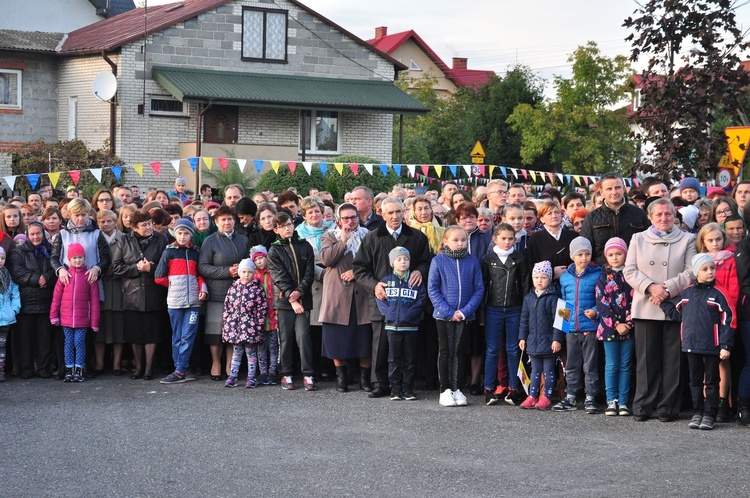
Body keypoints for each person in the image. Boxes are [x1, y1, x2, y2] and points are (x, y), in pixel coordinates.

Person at [624, 198, 697, 422]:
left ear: (674, 215)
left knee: (673, 360)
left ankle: (668, 407)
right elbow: (629, 270)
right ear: (650, 217)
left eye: (668, 214)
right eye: (659, 214)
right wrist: (651, 288)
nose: (664, 218)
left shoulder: (688, 239)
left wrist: (667, 288)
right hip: (647, 304)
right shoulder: (637, 238)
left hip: (675, 304)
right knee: (646, 359)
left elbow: (691, 271)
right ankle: (644, 404)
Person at [353, 197, 431, 398]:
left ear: (404, 212)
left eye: (398, 212)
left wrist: (420, 271)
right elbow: (360, 269)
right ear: (381, 213)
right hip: (383, 301)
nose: (395, 216)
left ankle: (407, 385)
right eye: (390, 213)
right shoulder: (371, 238)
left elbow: (428, 261)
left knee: (408, 348)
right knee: (381, 344)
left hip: (408, 303)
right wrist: (374, 285)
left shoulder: (416, 237)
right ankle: (380, 383)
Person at [661, 253, 734, 430]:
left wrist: (725, 345)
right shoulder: (686, 294)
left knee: (711, 381)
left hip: (712, 346)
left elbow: (727, 320)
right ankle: (697, 412)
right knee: (694, 381)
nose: (710, 272)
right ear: (695, 272)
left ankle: (710, 414)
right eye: (705, 269)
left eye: (712, 268)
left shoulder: (719, 294)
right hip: (691, 345)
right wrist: (663, 303)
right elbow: (678, 315)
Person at [428, 226, 484, 407]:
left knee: (459, 352)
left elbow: (479, 289)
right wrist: (449, 312)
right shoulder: (438, 261)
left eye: (463, 240)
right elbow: (433, 289)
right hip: (444, 316)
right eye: (455, 240)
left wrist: (464, 312)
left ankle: (457, 388)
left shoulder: (473, 261)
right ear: (445, 241)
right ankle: (445, 389)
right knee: (446, 351)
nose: (460, 243)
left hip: (464, 316)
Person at [319, 204, 373, 393]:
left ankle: (364, 379)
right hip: (338, 295)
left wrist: (357, 273)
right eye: (346, 218)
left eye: (353, 217)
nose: (350, 222)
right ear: (339, 220)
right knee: (337, 338)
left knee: (364, 337)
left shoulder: (368, 235)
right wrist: (343, 240)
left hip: (363, 295)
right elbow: (327, 260)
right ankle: (341, 377)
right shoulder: (330, 236)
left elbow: (376, 263)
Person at [111, 210, 169, 381]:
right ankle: (139, 367)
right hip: (132, 294)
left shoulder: (161, 239)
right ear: (134, 227)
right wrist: (136, 268)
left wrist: (150, 268)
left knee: (152, 333)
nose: (148, 227)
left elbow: (166, 264)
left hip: (154, 293)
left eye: (149, 223)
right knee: (135, 334)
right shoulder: (124, 240)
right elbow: (116, 267)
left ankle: (149, 367)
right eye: (144, 225)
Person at [198, 205, 249, 381]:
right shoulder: (210, 241)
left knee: (233, 331)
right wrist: (227, 271)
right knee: (215, 332)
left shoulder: (243, 239)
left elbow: (250, 261)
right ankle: (215, 363)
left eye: (229, 219)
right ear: (216, 222)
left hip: (239, 293)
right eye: (223, 220)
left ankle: (230, 364)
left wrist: (242, 269)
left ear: (234, 220)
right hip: (217, 292)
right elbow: (203, 267)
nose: (227, 222)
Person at [155, 218, 208, 384]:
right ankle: (180, 368)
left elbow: (199, 274)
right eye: (180, 233)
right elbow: (159, 277)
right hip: (175, 302)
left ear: (191, 235)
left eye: (186, 233)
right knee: (177, 336)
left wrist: (202, 288)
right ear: (175, 233)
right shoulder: (169, 252)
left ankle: (180, 369)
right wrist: (172, 285)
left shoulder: (195, 253)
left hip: (193, 302)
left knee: (188, 335)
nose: (183, 236)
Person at [481, 223, 529, 405]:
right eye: (503, 238)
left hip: (514, 309)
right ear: (495, 239)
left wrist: (525, 313)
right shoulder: (487, 259)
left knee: (512, 348)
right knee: (492, 349)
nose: (507, 242)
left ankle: (514, 387)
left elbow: (525, 287)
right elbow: (483, 287)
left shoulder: (520, 258)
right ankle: (489, 388)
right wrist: (482, 315)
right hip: (493, 308)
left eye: (511, 239)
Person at [696, 222, 739, 422]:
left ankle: (723, 401)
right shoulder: (699, 262)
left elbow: (733, 292)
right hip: (705, 319)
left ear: (724, 239)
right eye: (710, 240)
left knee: (723, 361)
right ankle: (708, 402)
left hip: (722, 316)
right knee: (706, 362)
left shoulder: (730, 260)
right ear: (703, 242)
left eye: (718, 239)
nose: (715, 244)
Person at [268, 211, 316, 391]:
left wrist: (300, 292)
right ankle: (286, 373)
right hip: (285, 302)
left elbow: (309, 273)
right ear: (276, 230)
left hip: (303, 300)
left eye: (289, 224)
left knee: (303, 337)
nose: (287, 228)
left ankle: (308, 374)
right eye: (282, 226)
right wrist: (291, 297)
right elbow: (279, 276)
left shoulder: (305, 245)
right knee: (286, 338)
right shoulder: (274, 250)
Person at [554, 236, 602, 413]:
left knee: (590, 365)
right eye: (580, 254)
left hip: (590, 328)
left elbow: (603, 299)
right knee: (572, 364)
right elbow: (564, 304)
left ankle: (591, 397)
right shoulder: (565, 277)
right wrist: (560, 331)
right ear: (572, 256)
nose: (584, 258)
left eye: (587, 254)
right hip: (571, 329)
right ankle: (571, 396)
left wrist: (596, 312)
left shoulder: (598, 274)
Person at [375, 246, 426, 401]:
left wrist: (409, 315)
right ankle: (395, 388)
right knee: (394, 359)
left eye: (405, 259)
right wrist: (389, 314)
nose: (402, 262)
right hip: (392, 326)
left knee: (409, 359)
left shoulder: (415, 281)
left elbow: (421, 300)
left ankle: (408, 388)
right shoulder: (386, 281)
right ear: (392, 263)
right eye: (399, 259)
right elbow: (381, 300)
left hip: (410, 326)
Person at [8, 221, 56, 379]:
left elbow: (56, 267)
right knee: (25, 339)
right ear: (28, 235)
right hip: (26, 301)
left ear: (43, 234)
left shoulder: (51, 249)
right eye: (33, 234)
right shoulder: (18, 252)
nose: (36, 236)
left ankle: (43, 369)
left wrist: (47, 277)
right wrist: (37, 279)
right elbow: (17, 272)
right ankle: (26, 369)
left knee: (45, 338)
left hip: (46, 300)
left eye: (38, 233)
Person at [295, 196, 335, 381]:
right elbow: (301, 261)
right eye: (309, 212)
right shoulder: (299, 233)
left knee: (327, 327)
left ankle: (326, 367)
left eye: (317, 211)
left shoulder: (333, 229)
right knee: (310, 329)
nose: (314, 214)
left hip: (332, 282)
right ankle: (310, 368)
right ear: (304, 215)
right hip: (311, 283)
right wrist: (322, 274)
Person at [595, 237, 634, 417]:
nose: (615, 257)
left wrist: (628, 323)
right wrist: (617, 324)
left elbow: (636, 301)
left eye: (619, 254)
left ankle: (623, 401)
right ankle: (612, 400)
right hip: (610, 328)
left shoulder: (631, 276)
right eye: (611, 254)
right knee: (611, 364)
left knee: (625, 364)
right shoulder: (603, 278)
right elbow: (602, 304)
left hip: (629, 328)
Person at [50, 243, 100, 382]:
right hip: (65, 319)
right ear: (69, 259)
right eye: (74, 258)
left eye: (80, 257)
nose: (77, 260)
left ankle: (79, 368)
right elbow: (56, 298)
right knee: (68, 343)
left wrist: (94, 322)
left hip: (82, 320)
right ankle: (68, 369)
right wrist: (54, 316)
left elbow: (95, 301)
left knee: (79, 343)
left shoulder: (88, 276)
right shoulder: (65, 276)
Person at [518, 261, 563, 410]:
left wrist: (557, 339)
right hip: (533, 342)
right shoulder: (528, 298)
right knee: (535, 370)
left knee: (549, 370)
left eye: (543, 277)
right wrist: (522, 338)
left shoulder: (555, 297)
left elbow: (560, 320)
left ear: (550, 279)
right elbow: (524, 319)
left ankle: (547, 397)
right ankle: (532, 396)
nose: (539, 281)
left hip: (549, 341)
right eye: (536, 277)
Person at [580, 172, 649, 267]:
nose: (614, 192)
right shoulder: (591, 218)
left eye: (617, 187)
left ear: (624, 189)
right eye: (609, 189)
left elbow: (648, 245)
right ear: (601, 192)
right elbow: (585, 249)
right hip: (601, 273)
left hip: (634, 271)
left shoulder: (639, 214)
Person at [221, 258, 268, 388]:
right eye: (243, 272)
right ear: (239, 273)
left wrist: (258, 324)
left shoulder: (257, 289)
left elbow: (262, 308)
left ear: (253, 273)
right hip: (235, 327)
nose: (246, 275)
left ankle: (251, 377)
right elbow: (227, 306)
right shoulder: (233, 288)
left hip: (250, 327)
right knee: (236, 352)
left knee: (251, 353)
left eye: (249, 272)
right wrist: (227, 322)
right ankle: (233, 376)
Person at [94, 210, 126, 375]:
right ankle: (99, 364)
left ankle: (116, 364)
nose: (105, 224)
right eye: (102, 222)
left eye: (108, 221)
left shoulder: (124, 238)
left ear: (115, 222)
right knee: (100, 329)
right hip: (100, 287)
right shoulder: (95, 238)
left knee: (118, 329)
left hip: (119, 288)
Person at [526, 200, 577, 282]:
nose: (554, 216)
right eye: (549, 213)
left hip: (572, 283)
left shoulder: (573, 236)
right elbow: (532, 266)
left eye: (557, 212)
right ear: (542, 219)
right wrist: (552, 272)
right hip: (546, 285)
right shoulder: (536, 238)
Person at [250, 246, 279, 385]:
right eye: (256, 260)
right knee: (261, 346)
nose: (259, 262)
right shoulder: (253, 276)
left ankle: (273, 371)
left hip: (273, 314)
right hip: (259, 317)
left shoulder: (273, 273)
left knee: (274, 345)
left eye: (261, 258)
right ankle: (263, 372)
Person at [0, 247, 20, 381]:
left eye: (2, 258)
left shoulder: (7, 275)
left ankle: (1, 370)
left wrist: (14, 309)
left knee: (2, 347)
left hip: (5, 317)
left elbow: (15, 291)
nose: (0, 261)